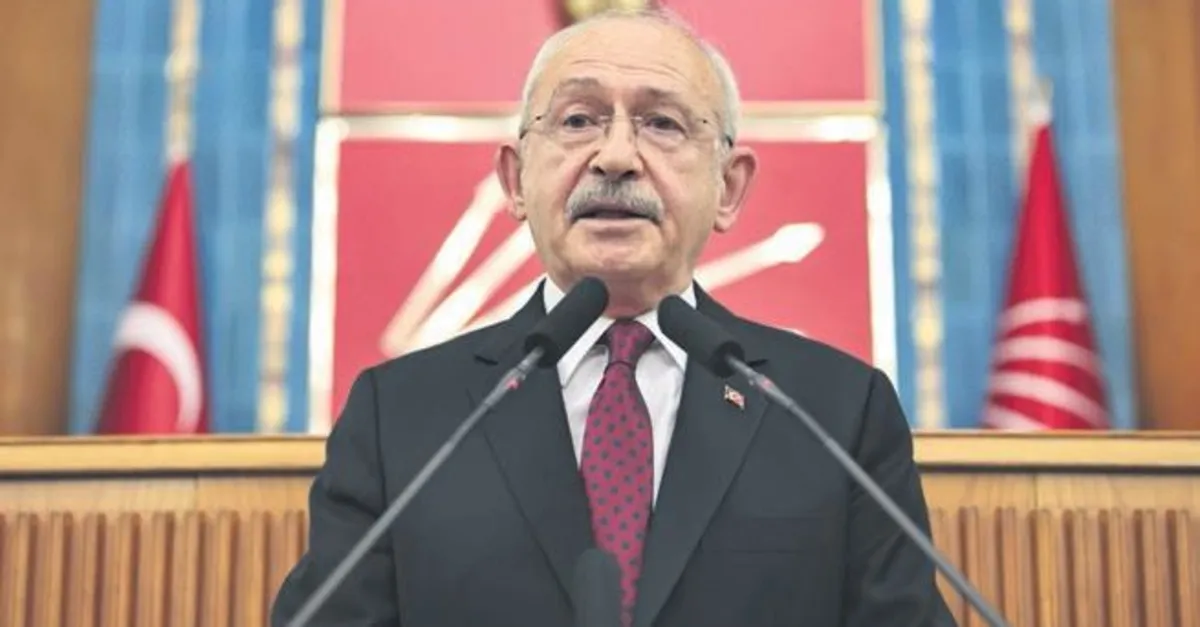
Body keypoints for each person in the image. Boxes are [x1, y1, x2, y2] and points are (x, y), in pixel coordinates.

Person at [271, 8, 955, 627]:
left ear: (728, 186)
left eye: (662, 123)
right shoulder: (401, 416)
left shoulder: (835, 411)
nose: (617, 157)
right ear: (515, 179)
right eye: (577, 120)